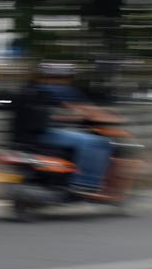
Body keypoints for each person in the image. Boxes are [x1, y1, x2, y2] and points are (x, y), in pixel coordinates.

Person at [22, 63, 115, 195]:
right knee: (97, 142)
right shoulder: (60, 89)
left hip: (25, 135)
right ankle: (85, 183)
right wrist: (111, 118)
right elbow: (84, 109)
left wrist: (66, 118)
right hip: (43, 134)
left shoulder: (31, 89)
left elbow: (50, 113)